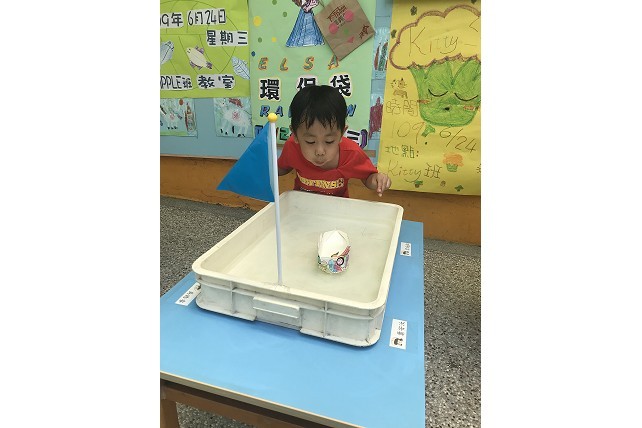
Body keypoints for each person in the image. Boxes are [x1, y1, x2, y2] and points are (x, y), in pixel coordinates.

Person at [277, 85, 392, 198]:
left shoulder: (352, 153)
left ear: (342, 133)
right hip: (301, 204)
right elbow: (282, 168)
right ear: (295, 135)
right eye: (310, 141)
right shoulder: (292, 146)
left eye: (329, 141)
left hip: (338, 207)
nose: (320, 151)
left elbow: (368, 178)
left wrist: (378, 180)